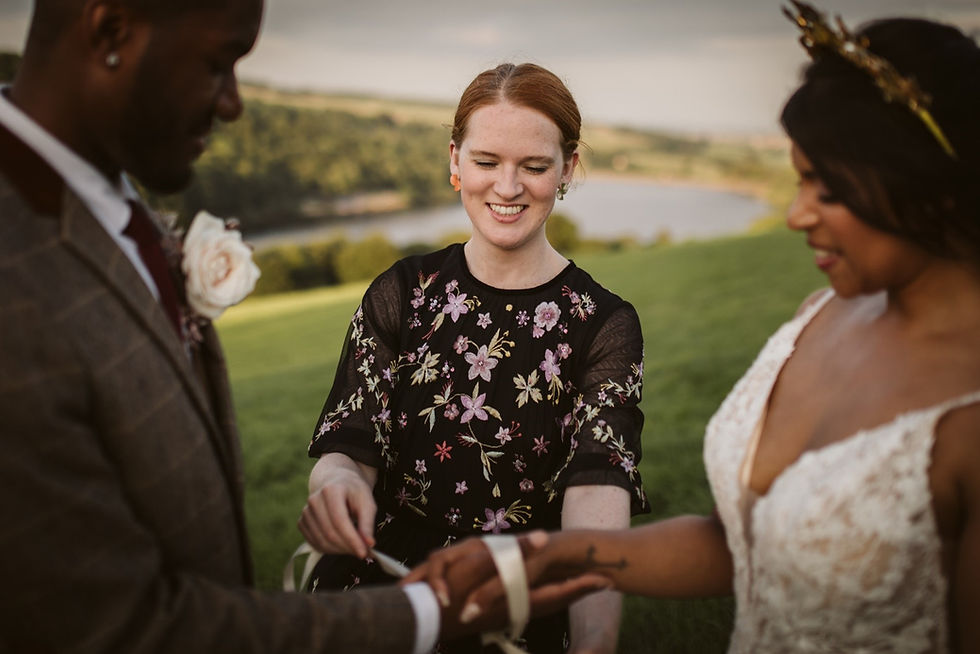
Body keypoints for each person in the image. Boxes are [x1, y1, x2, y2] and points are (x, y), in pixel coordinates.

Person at [0, 3, 600, 652]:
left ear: (566, 168)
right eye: (216, 63)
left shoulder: (106, 208)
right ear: (111, 30)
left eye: (534, 165)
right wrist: (423, 609)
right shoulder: (18, 275)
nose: (233, 104)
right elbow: (121, 625)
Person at [405, 4, 980, 652]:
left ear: (932, 187)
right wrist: (545, 553)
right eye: (798, 181)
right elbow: (737, 544)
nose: (795, 215)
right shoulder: (815, 319)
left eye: (828, 188)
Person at [298, 62, 650, 653]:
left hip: (516, 603)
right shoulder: (402, 292)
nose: (507, 188)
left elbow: (596, 500)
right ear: (455, 162)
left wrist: (594, 647)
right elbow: (349, 446)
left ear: (568, 168)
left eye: (534, 167)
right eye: (487, 162)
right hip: (381, 592)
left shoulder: (605, 325)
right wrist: (335, 484)